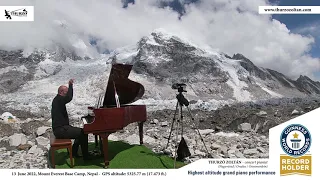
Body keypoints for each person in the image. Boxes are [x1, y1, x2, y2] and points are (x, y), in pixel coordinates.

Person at [51, 79, 90, 160]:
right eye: (66, 91)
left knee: (81, 132)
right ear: (61, 92)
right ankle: (86, 157)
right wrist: (71, 85)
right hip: (60, 130)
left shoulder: (58, 100)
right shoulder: (59, 99)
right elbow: (69, 97)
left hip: (61, 128)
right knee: (83, 133)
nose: (67, 93)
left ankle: (74, 152)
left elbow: (67, 97)